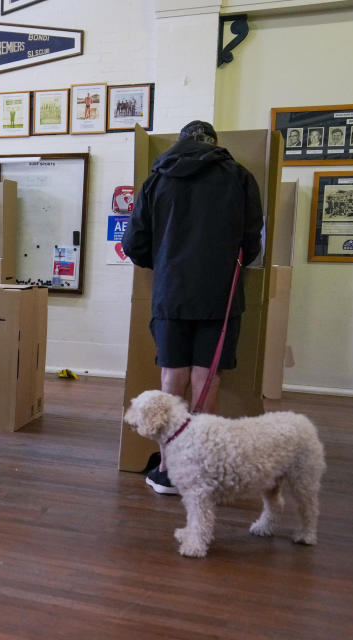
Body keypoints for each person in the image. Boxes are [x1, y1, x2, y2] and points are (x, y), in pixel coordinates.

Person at [122, 120, 263, 495]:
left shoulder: (158, 178)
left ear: (180, 143)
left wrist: (166, 261)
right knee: (207, 381)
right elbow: (252, 243)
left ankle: (169, 471)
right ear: (214, 143)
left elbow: (134, 241)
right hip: (221, 293)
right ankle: (198, 470)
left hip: (171, 290)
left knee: (172, 380)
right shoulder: (240, 177)